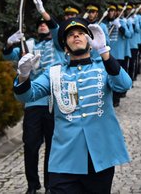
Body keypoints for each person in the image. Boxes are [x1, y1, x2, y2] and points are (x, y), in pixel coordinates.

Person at [13, 17, 132, 194]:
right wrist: (23, 76)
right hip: (64, 159)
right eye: (71, 35)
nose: (76, 36)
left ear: (90, 42)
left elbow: (123, 85)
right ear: (65, 47)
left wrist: (105, 52)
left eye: (81, 33)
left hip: (99, 156)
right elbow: (27, 95)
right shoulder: (54, 72)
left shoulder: (104, 67)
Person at [3, 19, 60, 194]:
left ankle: (50, 184)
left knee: (53, 146)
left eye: (45, 24)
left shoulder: (58, 44)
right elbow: (8, 55)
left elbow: (57, 30)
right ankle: (32, 184)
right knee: (30, 145)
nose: (42, 25)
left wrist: (45, 14)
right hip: (33, 102)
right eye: (39, 24)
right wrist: (10, 42)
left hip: (53, 102)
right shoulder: (27, 45)